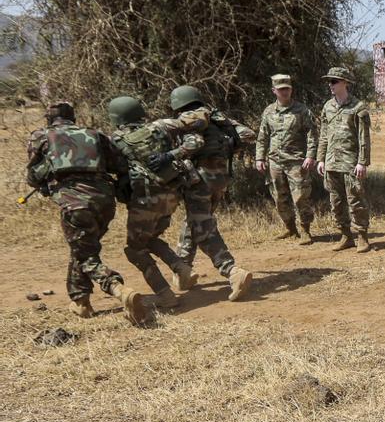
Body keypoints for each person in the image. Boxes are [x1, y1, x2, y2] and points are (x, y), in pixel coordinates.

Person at [25, 101, 148, 324]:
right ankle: (81, 302)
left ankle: (118, 289)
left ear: (49, 119)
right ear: (72, 117)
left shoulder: (42, 136)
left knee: (85, 254)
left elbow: (32, 177)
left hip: (74, 203)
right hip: (104, 201)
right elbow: (121, 166)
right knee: (82, 247)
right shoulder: (96, 134)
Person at [107, 95, 203, 309]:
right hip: (171, 195)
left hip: (144, 200)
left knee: (134, 249)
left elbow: (113, 168)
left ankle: (165, 295)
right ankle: (182, 268)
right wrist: (172, 154)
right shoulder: (161, 126)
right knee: (149, 238)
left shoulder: (114, 140)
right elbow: (196, 140)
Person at [166, 85, 255, 301]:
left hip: (199, 180)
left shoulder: (193, 116)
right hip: (220, 179)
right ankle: (183, 272)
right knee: (195, 221)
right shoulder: (218, 118)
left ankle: (232, 272)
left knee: (203, 228)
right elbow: (249, 134)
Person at [255, 73, 319, 245]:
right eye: (281, 89)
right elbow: (263, 137)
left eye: (287, 89)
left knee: (300, 197)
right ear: (274, 91)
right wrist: (259, 158)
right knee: (279, 197)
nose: (284, 92)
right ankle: (290, 228)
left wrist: (310, 155)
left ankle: (305, 230)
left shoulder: (302, 110)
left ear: (291, 90)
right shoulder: (268, 111)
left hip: (296, 161)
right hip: (275, 161)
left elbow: (312, 134)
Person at [316, 66, 371, 253]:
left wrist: (362, 162)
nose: (330, 85)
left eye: (334, 81)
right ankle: (346, 235)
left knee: (356, 200)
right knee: (336, 201)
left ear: (345, 83)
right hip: (332, 162)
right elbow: (323, 134)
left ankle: (362, 235)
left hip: (350, 162)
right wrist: (320, 159)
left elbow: (364, 138)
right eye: (329, 81)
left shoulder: (358, 107)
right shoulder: (327, 106)